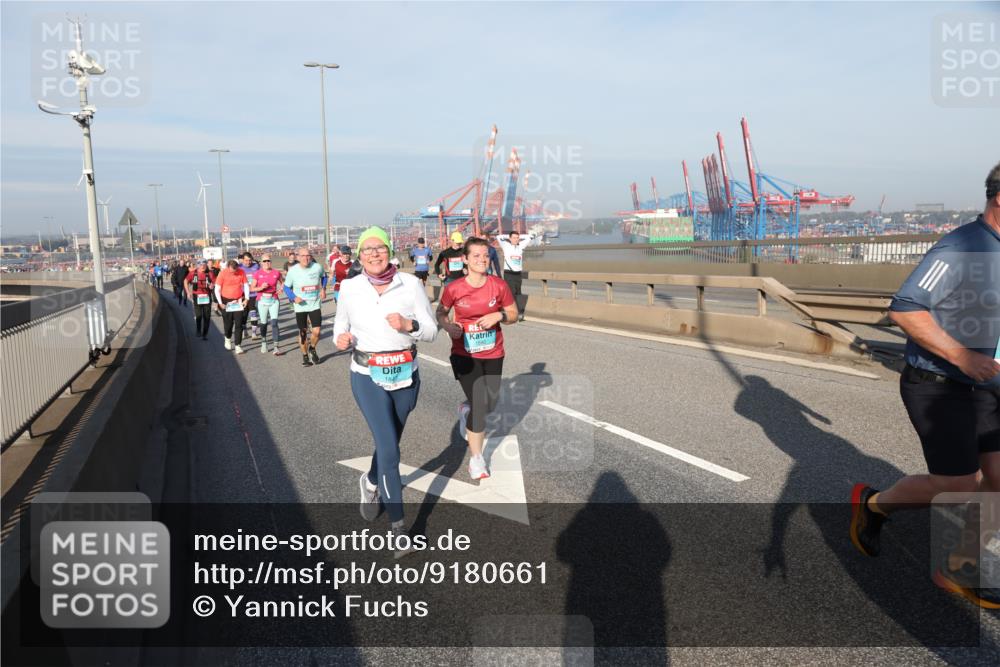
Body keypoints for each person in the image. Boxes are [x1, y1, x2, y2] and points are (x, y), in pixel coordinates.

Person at [850, 162, 1000, 609]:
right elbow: (906, 308)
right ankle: (874, 505)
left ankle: (959, 566)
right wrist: (962, 356)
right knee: (957, 484)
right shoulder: (961, 247)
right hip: (940, 383)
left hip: (987, 386)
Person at [334, 226, 437, 555]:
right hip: (367, 375)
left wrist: (410, 326)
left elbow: (432, 331)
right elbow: (340, 326)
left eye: (380, 248)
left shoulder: (410, 284)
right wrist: (341, 339)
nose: (374, 254)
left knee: (389, 442)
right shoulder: (350, 287)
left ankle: (371, 481)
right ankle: (399, 529)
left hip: (406, 375)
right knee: (391, 451)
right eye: (368, 250)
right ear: (360, 256)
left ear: (390, 251)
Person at [436, 237, 518, 480]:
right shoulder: (454, 288)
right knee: (481, 405)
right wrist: (448, 326)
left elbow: (513, 314)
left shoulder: (498, 285)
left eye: (485, 255)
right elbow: (441, 312)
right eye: (476, 256)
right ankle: (476, 460)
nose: (482, 260)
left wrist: (499, 315)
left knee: (489, 404)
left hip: (493, 352)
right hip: (464, 354)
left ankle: (465, 409)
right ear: (465, 259)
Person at [283, 247, 327, 366]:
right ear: (298, 257)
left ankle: (312, 348)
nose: (305, 258)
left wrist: (323, 289)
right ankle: (305, 356)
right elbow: (286, 287)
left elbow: (324, 277)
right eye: (302, 256)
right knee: (303, 333)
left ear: (311, 256)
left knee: (316, 332)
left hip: (314, 304)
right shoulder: (293, 271)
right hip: (300, 306)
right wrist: (293, 297)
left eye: (308, 255)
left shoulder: (317, 267)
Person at [497, 230, 535, 321]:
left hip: (518, 274)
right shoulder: (506, 246)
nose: (516, 239)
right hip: (509, 273)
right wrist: (510, 237)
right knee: (511, 293)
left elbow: (529, 237)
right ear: (510, 238)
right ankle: (516, 313)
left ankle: (514, 311)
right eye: (514, 238)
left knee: (518, 293)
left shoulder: (521, 246)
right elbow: (499, 237)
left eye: (517, 238)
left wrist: (519, 236)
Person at [214, 259, 250, 354]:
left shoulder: (241, 272)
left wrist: (246, 298)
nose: (234, 272)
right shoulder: (222, 273)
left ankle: (238, 345)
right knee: (228, 323)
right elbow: (217, 289)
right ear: (228, 267)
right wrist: (220, 302)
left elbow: (246, 285)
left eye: (235, 270)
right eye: (232, 270)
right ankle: (227, 338)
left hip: (238, 300)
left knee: (239, 324)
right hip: (226, 301)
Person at [251, 254, 283, 355]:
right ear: (261, 263)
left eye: (268, 260)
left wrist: (281, 289)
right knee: (263, 323)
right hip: (262, 300)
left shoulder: (276, 272)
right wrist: (260, 288)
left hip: (274, 299)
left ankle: (276, 346)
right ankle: (264, 341)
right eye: (264, 261)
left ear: (271, 262)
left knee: (274, 323)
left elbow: (283, 282)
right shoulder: (257, 273)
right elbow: (252, 288)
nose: (267, 263)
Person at [184, 259, 214, 340]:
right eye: (201, 265)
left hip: (207, 296)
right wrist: (187, 292)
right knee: (199, 315)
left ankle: (205, 334)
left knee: (207, 317)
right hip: (197, 296)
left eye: (204, 265)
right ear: (198, 265)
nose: (203, 267)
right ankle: (198, 330)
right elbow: (185, 281)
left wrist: (212, 285)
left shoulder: (210, 273)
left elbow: (214, 282)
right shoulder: (193, 273)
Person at [239, 252, 261, 340]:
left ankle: (254, 333)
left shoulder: (256, 266)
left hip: (254, 294)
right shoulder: (239, 267)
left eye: (249, 260)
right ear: (243, 260)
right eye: (246, 260)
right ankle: (245, 331)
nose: (248, 262)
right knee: (244, 314)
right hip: (243, 294)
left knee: (253, 312)